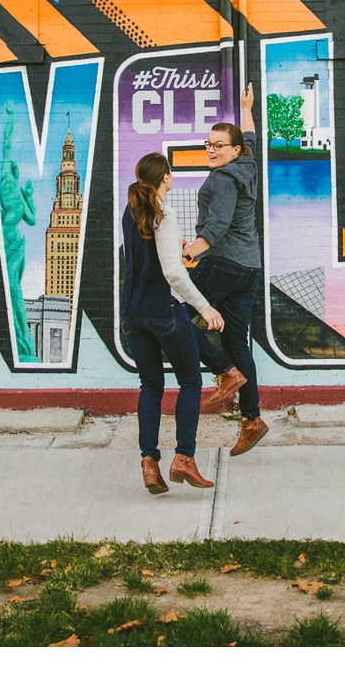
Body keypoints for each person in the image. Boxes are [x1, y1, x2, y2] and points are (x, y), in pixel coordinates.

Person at [119, 153, 226, 494]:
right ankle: (184, 458)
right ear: (166, 177)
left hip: (133, 313)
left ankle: (149, 462)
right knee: (191, 382)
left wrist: (173, 250)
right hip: (163, 311)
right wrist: (205, 307)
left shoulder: (131, 210)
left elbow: (145, 256)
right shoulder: (164, 213)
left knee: (150, 385)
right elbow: (172, 273)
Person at [184, 82, 268, 456]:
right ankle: (252, 419)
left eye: (219, 145)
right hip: (249, 268)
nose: (211, 150)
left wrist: (190, 253)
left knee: (174, 318)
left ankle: (224, 372)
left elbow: (216, 227)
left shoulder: (222, 180)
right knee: (237, 340)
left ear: (233, 152)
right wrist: (246, 107)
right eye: (209, 144)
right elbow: (250, 137)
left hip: (222, 263)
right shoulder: (247, 163)